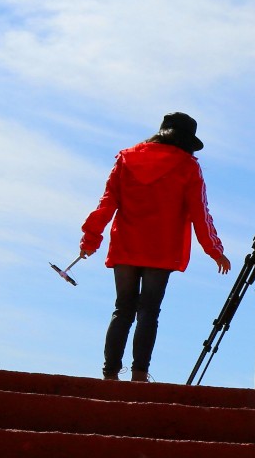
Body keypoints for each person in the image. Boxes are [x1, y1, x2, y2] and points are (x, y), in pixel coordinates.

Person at [80, 112, 231, 381]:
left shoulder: (126, 159)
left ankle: (110, 374)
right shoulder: (187, 166)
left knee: (122, 309)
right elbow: (200, 212)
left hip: (126, 244)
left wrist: (90, 240)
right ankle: (139, 374)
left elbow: (106, 204)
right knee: (149, 311)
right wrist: (214, 249)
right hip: (161, 249)